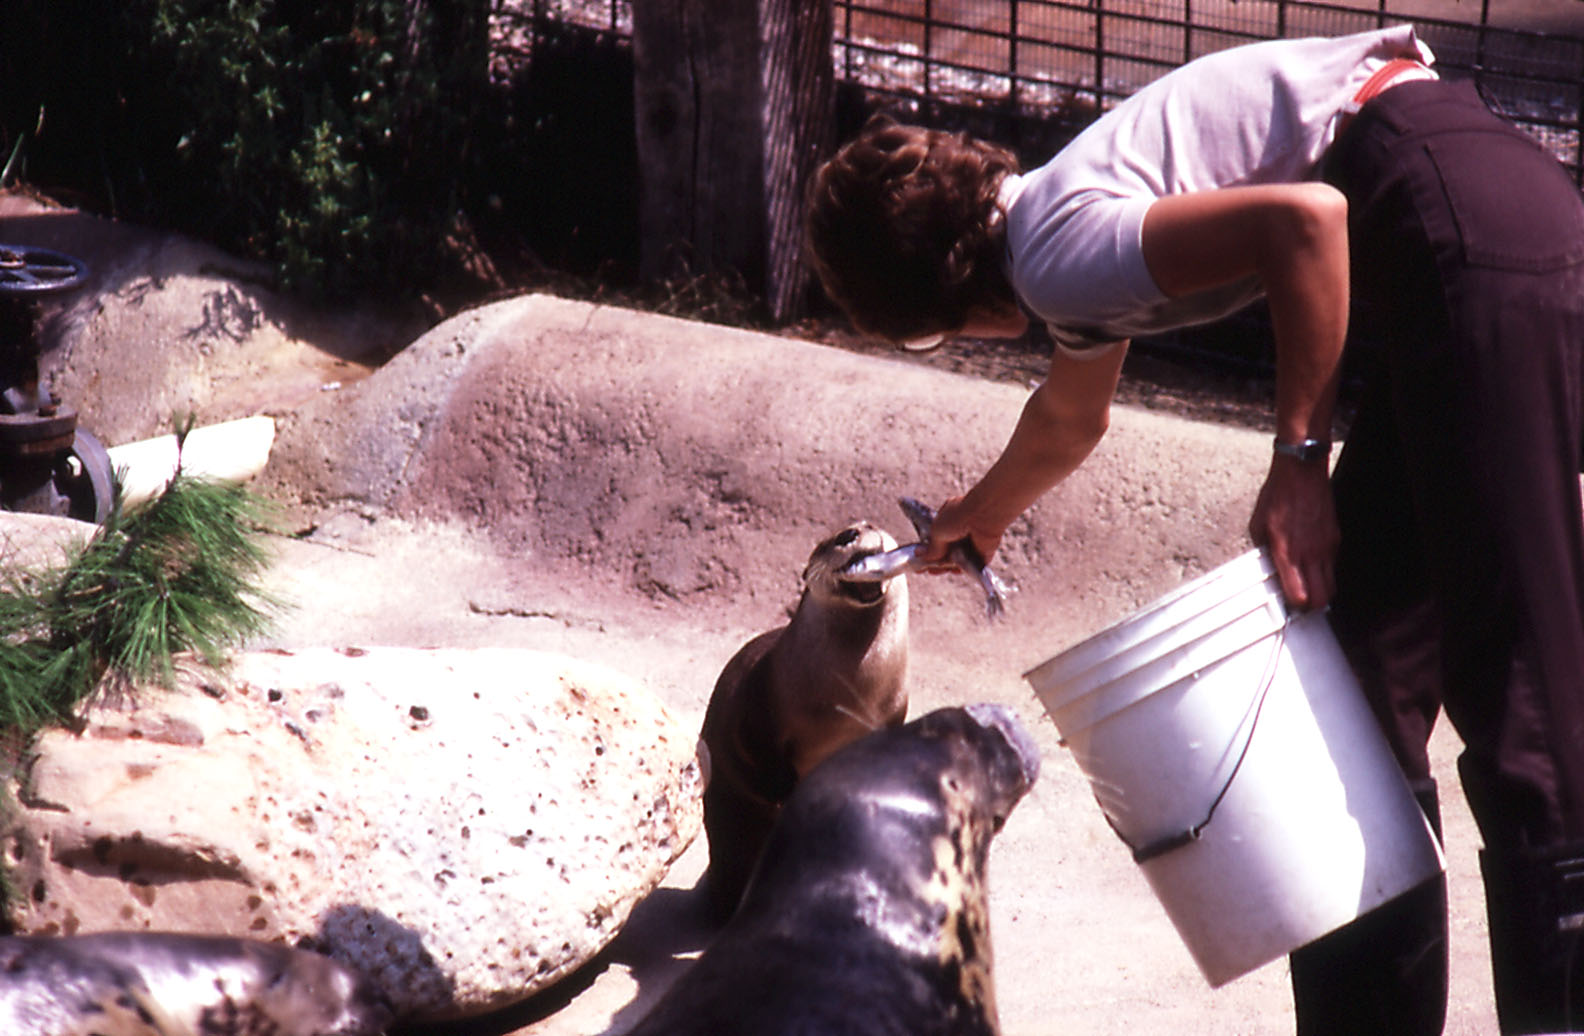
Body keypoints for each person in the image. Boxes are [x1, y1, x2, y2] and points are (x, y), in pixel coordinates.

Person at [804, 25, 1584, 1036]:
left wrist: (1299, 466)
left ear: (935, 297)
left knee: (1523, 692)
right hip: (1454, 222)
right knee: (1359, 689)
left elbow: (1307, 222)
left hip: (1457, 231)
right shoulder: (1054, 229)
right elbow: (1070, 415)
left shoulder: (1057, 257)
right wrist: (976, 521)